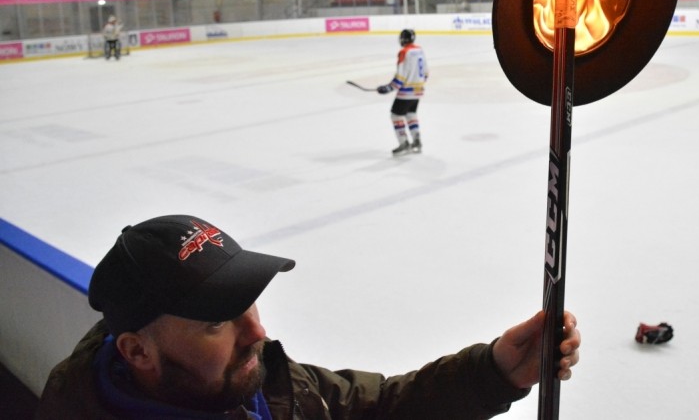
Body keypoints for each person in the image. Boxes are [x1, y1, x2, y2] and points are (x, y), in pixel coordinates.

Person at [37, 214, 582, 419]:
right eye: (216, 322)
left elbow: (370, 409)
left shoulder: (254, 384)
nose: (258, 332)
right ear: (136, 351)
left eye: (248, 302)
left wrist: (493, 372)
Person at [378, 29, 428, 155]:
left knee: (395, 115)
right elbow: (426, 73)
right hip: (419, 90)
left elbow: (401, 75)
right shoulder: (420, 50)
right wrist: (419, 84)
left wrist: (390, 87)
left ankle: (403, 143)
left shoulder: (404, 52)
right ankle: (417, 142)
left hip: (407, 91)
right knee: (411, 114)